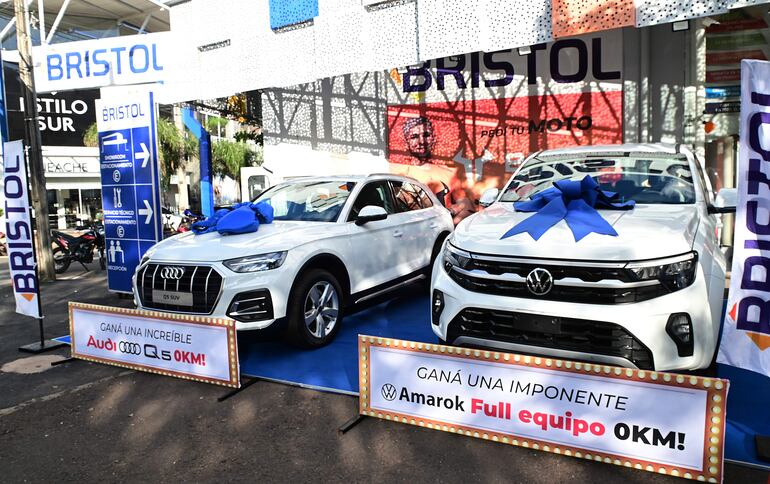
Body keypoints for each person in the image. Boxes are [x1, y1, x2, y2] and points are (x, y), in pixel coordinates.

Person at [392, 116, 475, 224]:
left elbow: (466, 205)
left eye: (426, 135)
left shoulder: (448, 173)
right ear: (406, 141)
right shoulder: (400, 176)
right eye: (414, 136)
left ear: (433, 138)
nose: (421, 141)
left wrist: (449, 225)